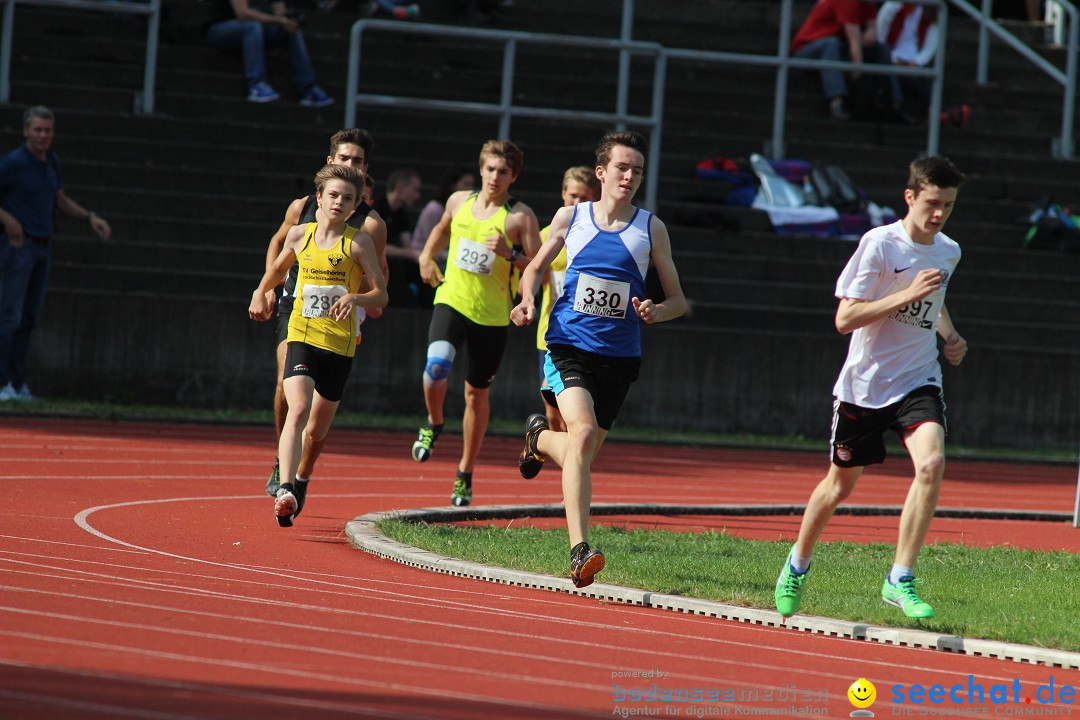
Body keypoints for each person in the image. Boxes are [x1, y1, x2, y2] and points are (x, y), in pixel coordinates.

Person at [774, 155, 968, 620]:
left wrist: (950, 335)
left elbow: (934, 298)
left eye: (949, 206)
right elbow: (845, 318)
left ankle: (900, 577)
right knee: (838, 487)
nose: (939, 214)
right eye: (932, 203)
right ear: (910, 197)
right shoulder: (879, 244)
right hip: (864, 386)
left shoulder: (949, 250)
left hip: (918, 380)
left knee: (933, 463)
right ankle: (796, 565)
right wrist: (905, 294)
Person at [511, 131, 688, 588]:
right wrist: (528, 300)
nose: (630, 177)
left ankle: (537, 438)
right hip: (568, 344)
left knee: (580, 453)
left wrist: (656, 310)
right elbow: (534, 266)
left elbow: (679, 301)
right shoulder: (572, 218)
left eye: (638, 171)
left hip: (620, 358)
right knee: (583, 433)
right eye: (623, 168)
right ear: (602, 172)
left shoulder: (652, 229)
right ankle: (578, 551)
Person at [248, 164, 387, 527]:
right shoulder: (299, 235)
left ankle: (302, 478)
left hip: (339, 346)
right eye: (334, 195)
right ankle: (286, 488)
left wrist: (357, 300)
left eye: (348, 198)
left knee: (318, 430)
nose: (339, 202)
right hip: (302, 335)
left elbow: (381, 294)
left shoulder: (359, 243)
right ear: (320, 198)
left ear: (356, 205)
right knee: (297, 408)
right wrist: (261, 292)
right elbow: (278, 271)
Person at [413, 139, 541, 507]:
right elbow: (440, 228)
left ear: (513, 176)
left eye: (503, 171)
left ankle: (465, 472)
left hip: (492, 316)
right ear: (481, 168)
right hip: (452, 300)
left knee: (475, 395)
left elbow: (538, 267)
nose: (495, 177)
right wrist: (425, 256)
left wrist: (510, 253)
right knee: (436, 366)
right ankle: (434, 421)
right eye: (490, 169)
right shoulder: (459, 201)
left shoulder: (520, 217)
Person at [0, 105, 112, 403]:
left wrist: (89, 216)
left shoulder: (51, 162)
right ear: (26, 131)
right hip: (18, 248)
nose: (43, 135)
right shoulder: (12, 163)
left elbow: (59, 199)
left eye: (48, 130)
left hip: (42, 246)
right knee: (9, 315)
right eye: (37, 130)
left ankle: (16, 381)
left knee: (28, 318)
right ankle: (2, 382)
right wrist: (9, 220)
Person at [535, 165, 601, 433]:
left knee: (574, 411)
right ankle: (565, 459)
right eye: (573, 196)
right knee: (551, 407)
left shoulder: (599, 238)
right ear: (563, 194)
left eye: (584, 198)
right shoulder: (546, 236)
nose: (577, 203)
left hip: (586, 334)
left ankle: (572, 465)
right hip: (550, 331)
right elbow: (530, 272)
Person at [790, 0, 903, 121]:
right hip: (805, 50)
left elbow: (872, 26)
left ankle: (895, 104)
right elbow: (854, 40)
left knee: (881, 48)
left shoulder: (868, 4)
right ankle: (836, 102)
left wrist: (871, 31)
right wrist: (857, 73)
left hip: (837, 50)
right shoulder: (846, 1)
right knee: (831, 43)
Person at [206, 0, 333, 106]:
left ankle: (307, 88)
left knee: (289, 29)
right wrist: (277, 20)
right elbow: (242, 14)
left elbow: (281, 13)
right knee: (252, 26)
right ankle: (256, 83)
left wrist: (290, 20)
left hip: (256, 29)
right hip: (221, 29)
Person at [411, 167, 477, 268]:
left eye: (471, 185)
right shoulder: (434, 209)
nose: (470, 189)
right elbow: (430, 242)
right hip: (426, 259)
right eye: (466, 184)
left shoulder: (467, 210)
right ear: (453, 186)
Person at [375, 168, 424, 306]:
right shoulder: (378, 208)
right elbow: (374, 246)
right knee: (395, 266)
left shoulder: (402, 215)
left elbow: (408, 246)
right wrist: (410, 253)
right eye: (414, 190)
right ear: (400, 188)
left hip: (394, 259)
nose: (417, 195)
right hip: (375, 259)